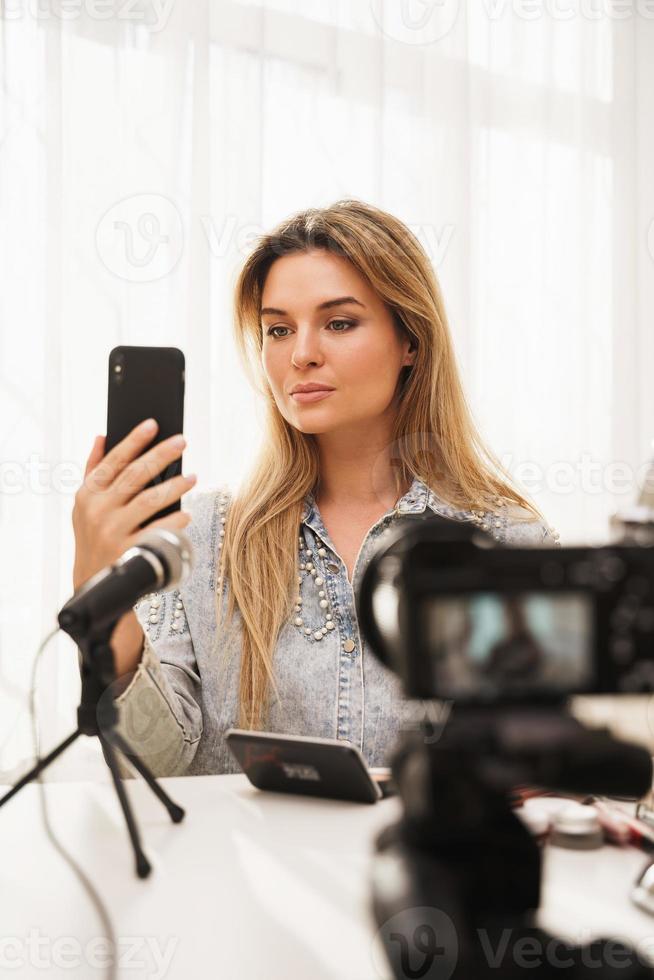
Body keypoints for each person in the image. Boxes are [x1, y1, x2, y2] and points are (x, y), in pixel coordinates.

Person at [71, 199, 560, 777]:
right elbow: (152, 765)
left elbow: (543, 765)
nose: (301, 354)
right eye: (278, 329)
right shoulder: (200, 536)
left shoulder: (504, 541)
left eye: (339, 323)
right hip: (235, 869)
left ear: (412, 342)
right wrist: (100, 593)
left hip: (418, 867)